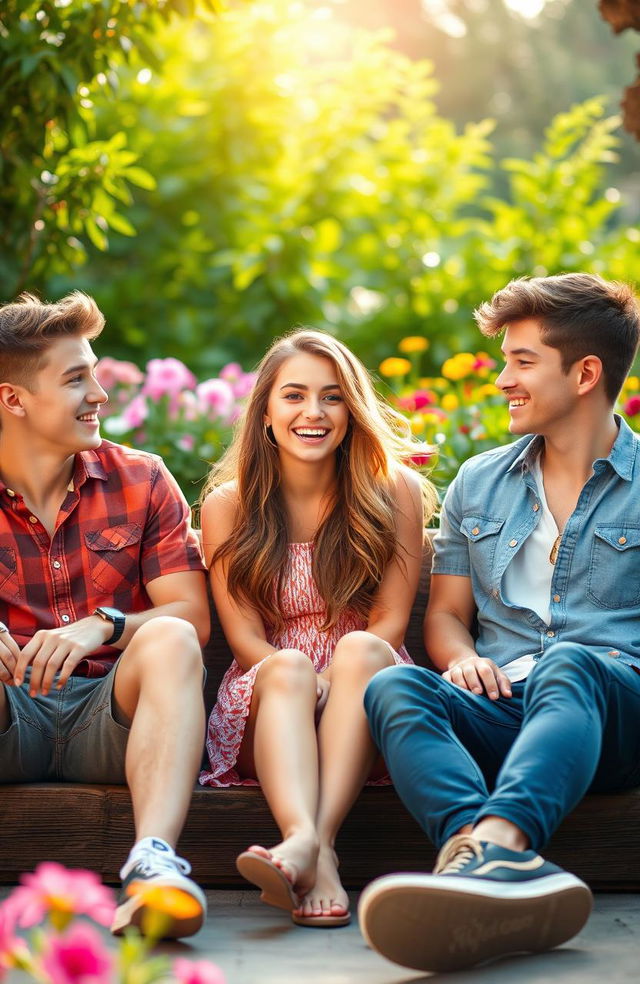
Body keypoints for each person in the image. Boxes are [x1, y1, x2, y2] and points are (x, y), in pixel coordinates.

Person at [359, 272, 640, 973]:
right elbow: (448, 616)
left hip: (615, 711)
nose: (501, 380)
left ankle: (495, 849)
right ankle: (481, 870)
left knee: (570, 662)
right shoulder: (478, 483)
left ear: (584, 373)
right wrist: (457, 659)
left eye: (521, 361)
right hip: (504, 707)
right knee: (395, 688)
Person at [199, 328, 436, 927]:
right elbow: (246, 635)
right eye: (294, 396)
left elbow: (389, 622)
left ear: (352, 411)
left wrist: (334, 677)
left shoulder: (394, 493)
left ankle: (313, 845)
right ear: (267, 413)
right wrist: (306, 679)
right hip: (270, 693)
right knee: (286, 666)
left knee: (360, 647)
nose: (314, 412)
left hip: (363, 689)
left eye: (332, 397)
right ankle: (310, 841)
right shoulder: (229, 505)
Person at [0, 291, 210, 939]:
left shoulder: (141, 479)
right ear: (13, 401)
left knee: (170, 634)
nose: (99, 393)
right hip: (10, 716)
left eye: (94, 372)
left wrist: (106, 624)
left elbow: (191, 616)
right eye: (75, 378)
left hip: (111, 723)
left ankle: (152, 865)